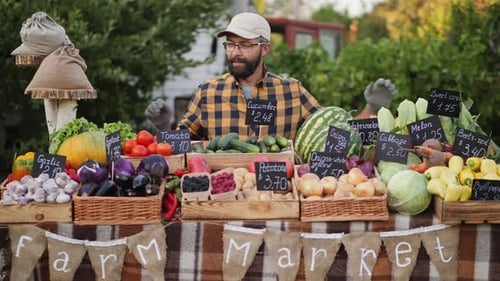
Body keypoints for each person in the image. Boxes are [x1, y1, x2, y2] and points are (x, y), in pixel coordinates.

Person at [145, 12, 396, 140]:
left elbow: (337, 136)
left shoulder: (292, 91)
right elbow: (178, 150)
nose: (235, 52)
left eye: (244, 45)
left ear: (265, 48)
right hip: (221, 201)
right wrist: (165, 126)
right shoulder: (208, 92)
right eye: (231, 45)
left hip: (279, 202)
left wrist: (370, 109)